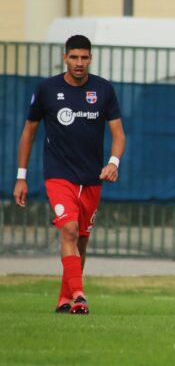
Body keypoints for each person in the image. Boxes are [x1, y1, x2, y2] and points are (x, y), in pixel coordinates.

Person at [13, 35, 126, 315]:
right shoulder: (47, 89)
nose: (79, 63)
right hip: (59, 175)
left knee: (81, 239)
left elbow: (118, 133)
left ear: (90, 58)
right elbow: (29, 130)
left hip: (91, 178)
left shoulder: (103, 89)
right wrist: (21, 176)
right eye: (74, 57)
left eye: (84, 58)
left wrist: (113, 162)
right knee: (69, 229)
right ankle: (79, 293)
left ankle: (66, 300)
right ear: (65, 58)